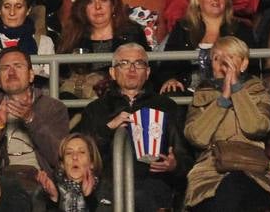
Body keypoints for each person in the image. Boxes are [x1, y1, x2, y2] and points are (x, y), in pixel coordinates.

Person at [77, 43, 188, 211]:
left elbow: (186, 158)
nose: (132, 69)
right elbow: (82, 152)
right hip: (108, 183)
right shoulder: (96, 109)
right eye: (124, 63)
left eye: (139, 63)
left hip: (154, 184)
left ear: (148, 72)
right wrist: (108, 128)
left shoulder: (166, 106)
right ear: (113, 73)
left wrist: (174, 165)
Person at [180, 35, 270, 210]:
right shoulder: (202, 95)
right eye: (217, 58)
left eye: (230, 58)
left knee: (237, 186)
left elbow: (257, 127)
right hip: (210, 172)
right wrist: (223, 100)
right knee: (225, 192)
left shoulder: (260, 93)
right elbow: (196, 137)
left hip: (255, 170)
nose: (223, 63)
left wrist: (236, 89)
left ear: (243, 64)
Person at [0, 45, 71, 195]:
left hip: (41, 185)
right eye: (5, 68)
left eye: (18, 66)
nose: (11, 72)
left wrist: (31, 119)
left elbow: (59, 157)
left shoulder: (53, 108)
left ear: (31, 75)